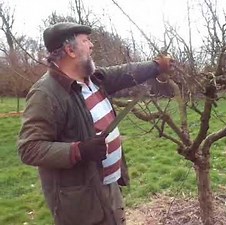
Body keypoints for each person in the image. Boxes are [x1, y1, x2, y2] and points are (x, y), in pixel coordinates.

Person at [17, 22, 173, 225]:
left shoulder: (92, 79)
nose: (92, 45)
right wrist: (78, 150)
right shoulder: (46, 94)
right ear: (70, 50)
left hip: (108, 184)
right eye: (86, 41)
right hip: (81, 201)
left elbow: (125, 72)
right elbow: (29, 148)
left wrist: (156, 66)